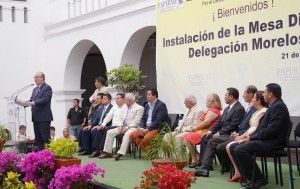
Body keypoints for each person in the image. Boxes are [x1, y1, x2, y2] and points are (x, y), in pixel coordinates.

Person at [233, 83, 290, 189]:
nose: (263, 95)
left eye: (265, 92)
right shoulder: (275, 106)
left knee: (240, 149)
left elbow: (271, 130)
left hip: (273, 142)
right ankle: (253, 178)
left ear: (270, 94)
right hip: (268, 139)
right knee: (238, 148)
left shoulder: (278, 107)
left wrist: (250, 138)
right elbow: (264, 129)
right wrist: (249, 138)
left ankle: (259, 178)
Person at [195, 87, 245, 177]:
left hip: (230, 135)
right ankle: (204, 165)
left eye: (226, 95)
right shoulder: (227, 109)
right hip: (223, 134)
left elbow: (233, 125)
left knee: (212, 142)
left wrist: (219, 133)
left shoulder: (239, 108)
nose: (224, 97)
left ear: (231, 97)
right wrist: (210, 131)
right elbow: (219, 122)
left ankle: (205, 167)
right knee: (205, 137)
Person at [226, 91, 268, 182]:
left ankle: (247, 175)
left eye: (254, 98)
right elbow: (250, 128)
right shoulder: (255, 112)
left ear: (259, 101)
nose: (252, 99)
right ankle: (241, 173)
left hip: (254, 137)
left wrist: (242, 137)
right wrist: (240, 135)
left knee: (233, 146)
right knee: (230, 146)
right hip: (249, 135)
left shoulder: (263, 111)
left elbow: (256, 129)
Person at [215, 85, 257, 172]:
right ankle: (234, 168)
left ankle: (239, 170)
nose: (243, 96)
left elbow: (252, 127)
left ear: (250, 95)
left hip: (246, 136)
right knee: (214, 142)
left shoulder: (254, 109)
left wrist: (240, 135)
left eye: (244, 93)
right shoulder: (248, 108)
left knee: (222, 146)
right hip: (239, 134)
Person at [181, 93, 222, 168]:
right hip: (202, 131)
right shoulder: (210, 110)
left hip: (206, 132)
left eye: (208, 101)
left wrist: (195, 128)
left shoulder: (214, 110)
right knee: (184, 138)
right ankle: (197, 156)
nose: (206, 102)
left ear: (213, 102)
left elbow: (206, 123)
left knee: (186, 139)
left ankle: (195, 158)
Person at [101, 93, 144, 160]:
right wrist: (120, 126)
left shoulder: (139, 108)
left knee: (127, 134)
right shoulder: (125, 107)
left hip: (133, 128)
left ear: (130, 100)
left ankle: (120, 153)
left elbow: (136, 122)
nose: (124, 101)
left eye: (126, 100)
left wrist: (127, 127)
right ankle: (107, 152)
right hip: (123, 127)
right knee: (110, 132)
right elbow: (120, 118)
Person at [88, 93, 127, 158]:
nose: (116, 100)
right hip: (113, 125)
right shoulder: (115, 106)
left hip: (120, 126)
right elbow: (109, 116)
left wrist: (120, 125)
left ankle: (105, 151)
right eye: (116, 99)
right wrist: (103, 124)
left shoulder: (126, 107)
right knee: (100, 128)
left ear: (123, 99)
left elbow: (123, 120)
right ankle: (97, 150)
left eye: (118, 98)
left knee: (106, 129)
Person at [26, 71, 53, 150]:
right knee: (38, 139)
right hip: (35, 117)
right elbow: (32, 100)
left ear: (42, 78)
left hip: (44, 117)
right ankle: (41, 157)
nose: (35, 79)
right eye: (35, 77)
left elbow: (45, 99)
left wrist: (33, 103)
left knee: (45, 138)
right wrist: (25, 103)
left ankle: (48, 156)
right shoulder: (34, 89)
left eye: (37, 77)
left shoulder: (47, 87)